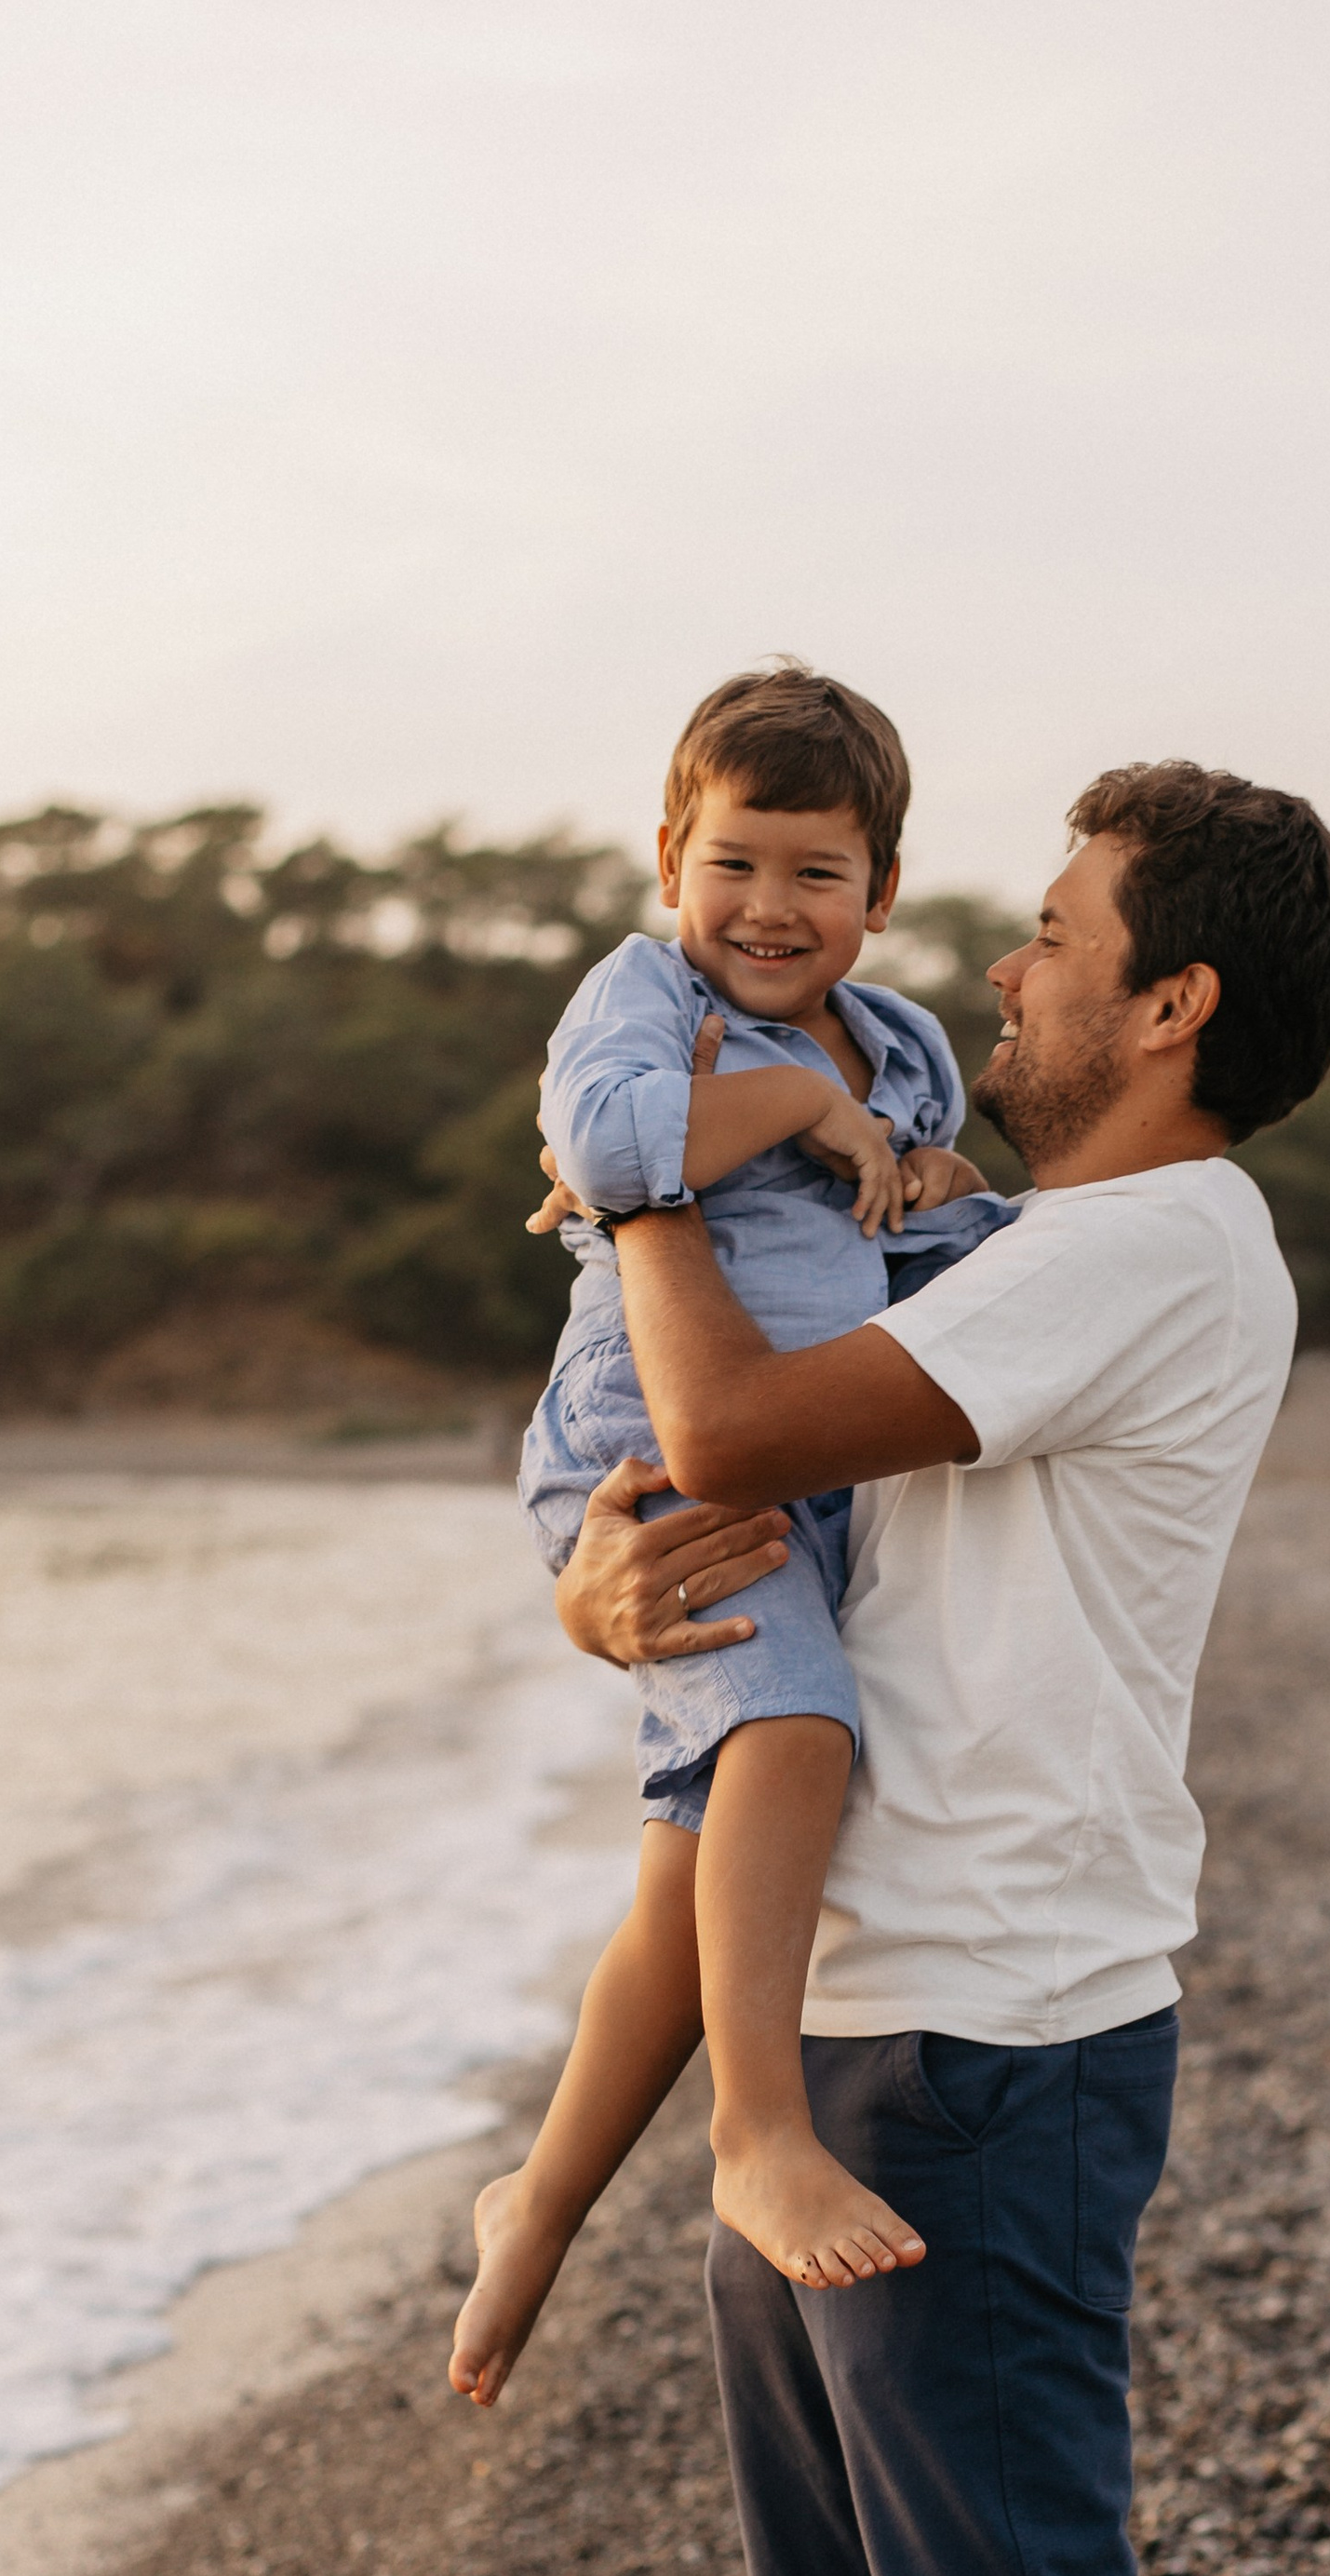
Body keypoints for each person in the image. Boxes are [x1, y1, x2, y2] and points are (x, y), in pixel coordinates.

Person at [545, 761, 1330, 2576]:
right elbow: (730, 1513)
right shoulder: (1030, 1247)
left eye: (1051, 940)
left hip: (992, 2051)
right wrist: (593, 1575)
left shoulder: (1152, 1243)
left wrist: (649, 1138)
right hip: (866, 1994)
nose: (1003, 982)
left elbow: (753, 1410)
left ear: (1175, 1008)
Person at [449, 662, 1014, 2408]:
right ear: (672, 862)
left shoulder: (902, 1042)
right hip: (655, 1451)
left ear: (882, 891)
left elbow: (899, 1201)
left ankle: (535, 2205)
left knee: (689, 1879)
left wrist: (936, 1192)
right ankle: (755, 2131)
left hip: (807, 1443)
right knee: (791, 1735)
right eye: (736, 866)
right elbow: (605, 1148)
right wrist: (780, 1106)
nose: (770, 910)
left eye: (816, 874)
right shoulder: (636, 995)